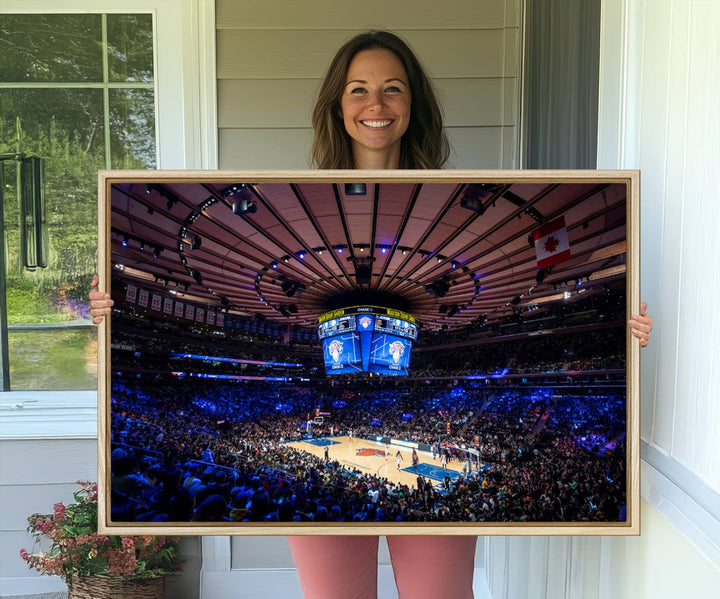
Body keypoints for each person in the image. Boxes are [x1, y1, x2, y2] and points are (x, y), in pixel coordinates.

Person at [89, 29, 653, 599]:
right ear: (338, 104)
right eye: (358, 89)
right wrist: (108, 311)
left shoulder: (459, 191)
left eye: (393, 89)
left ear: (414, 105)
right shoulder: (307, 194)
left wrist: (624, 333)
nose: (375, 105)